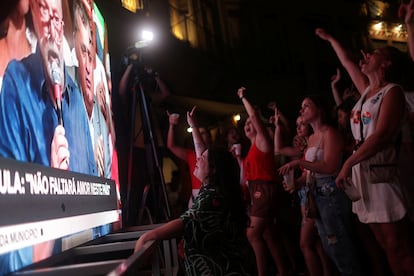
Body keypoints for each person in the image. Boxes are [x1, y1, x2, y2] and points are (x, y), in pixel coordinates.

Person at [0, 0, 97, 274]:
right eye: (43, 12)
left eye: (56, 16)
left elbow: (91, 182)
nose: (51, 26)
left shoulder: (76, 98)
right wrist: (53, 181)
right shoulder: (17, 80)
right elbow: (10, 207)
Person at [316, 27, 414, 275]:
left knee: (397, 246)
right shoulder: (366, 92)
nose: (367, 55)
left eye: (375, 53)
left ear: (387, 64)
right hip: (363, 174)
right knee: (381, 243)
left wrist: (348, 162)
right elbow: (348, 61)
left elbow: (381, 137)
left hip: (381, 172)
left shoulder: (392, 91)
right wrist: (331, 39)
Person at [134, 106, 255, 276]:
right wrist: (194, 126)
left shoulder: (212, 199)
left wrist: (146, 238)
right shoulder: (215, 188)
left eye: (202, 158)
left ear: (213, 170)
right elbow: (200, 148)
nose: (198, 159)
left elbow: (182, 224)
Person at [278, 95, 363, 275]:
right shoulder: (312, 138)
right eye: (301, 107)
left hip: (331, 193)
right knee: (328, 244)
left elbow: (329, 166)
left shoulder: (330, 133)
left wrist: (298, 164)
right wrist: (298, 182)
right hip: (316, 194)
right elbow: (312, 172)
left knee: (340, 243)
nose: (302, 110)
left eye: (307, 105)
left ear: (319, 109)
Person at [238, 87, 289, 276]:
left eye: (250, 123)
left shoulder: (263, 140)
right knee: (267, 234)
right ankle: (283, 270)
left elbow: (255, 117)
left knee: (252, 234)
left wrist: (243, 98)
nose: (247, 125)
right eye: (245, 124)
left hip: (264, 189)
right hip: (256, 191)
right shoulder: (251, 147)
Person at [73, 0, 111, 179]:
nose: (88, 67)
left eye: (90, 54)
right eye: (83, 52)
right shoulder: (69, 111)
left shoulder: (101, 123)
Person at [167, 111, 212, 209]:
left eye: (203, 133)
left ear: (209, 136)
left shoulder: (214, 154)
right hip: (194, 198)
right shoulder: (191, 154)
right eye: (197, 133)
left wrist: (194, 126)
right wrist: (171, 126)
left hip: (209, 197)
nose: (199, 135)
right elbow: (171, 146)